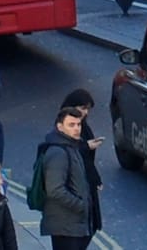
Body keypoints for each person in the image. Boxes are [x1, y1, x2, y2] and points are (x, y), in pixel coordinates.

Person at [38, 107, 93, 250]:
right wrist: (80, 205)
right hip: (65, 226)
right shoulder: (58, 153)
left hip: (73, 224)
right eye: (71, 125)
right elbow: (55, 189)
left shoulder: (71, 146)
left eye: (78, 124)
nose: (77, 129)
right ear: (60, 127)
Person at [59, 90, 103, 235]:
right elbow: (68, 148)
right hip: (76, 186)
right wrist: (87, 146)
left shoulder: (84, 126)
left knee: (91, 227)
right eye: (83, 108)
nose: (86, 113)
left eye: (88, 109)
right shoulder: (64, 128)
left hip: (86, 182)